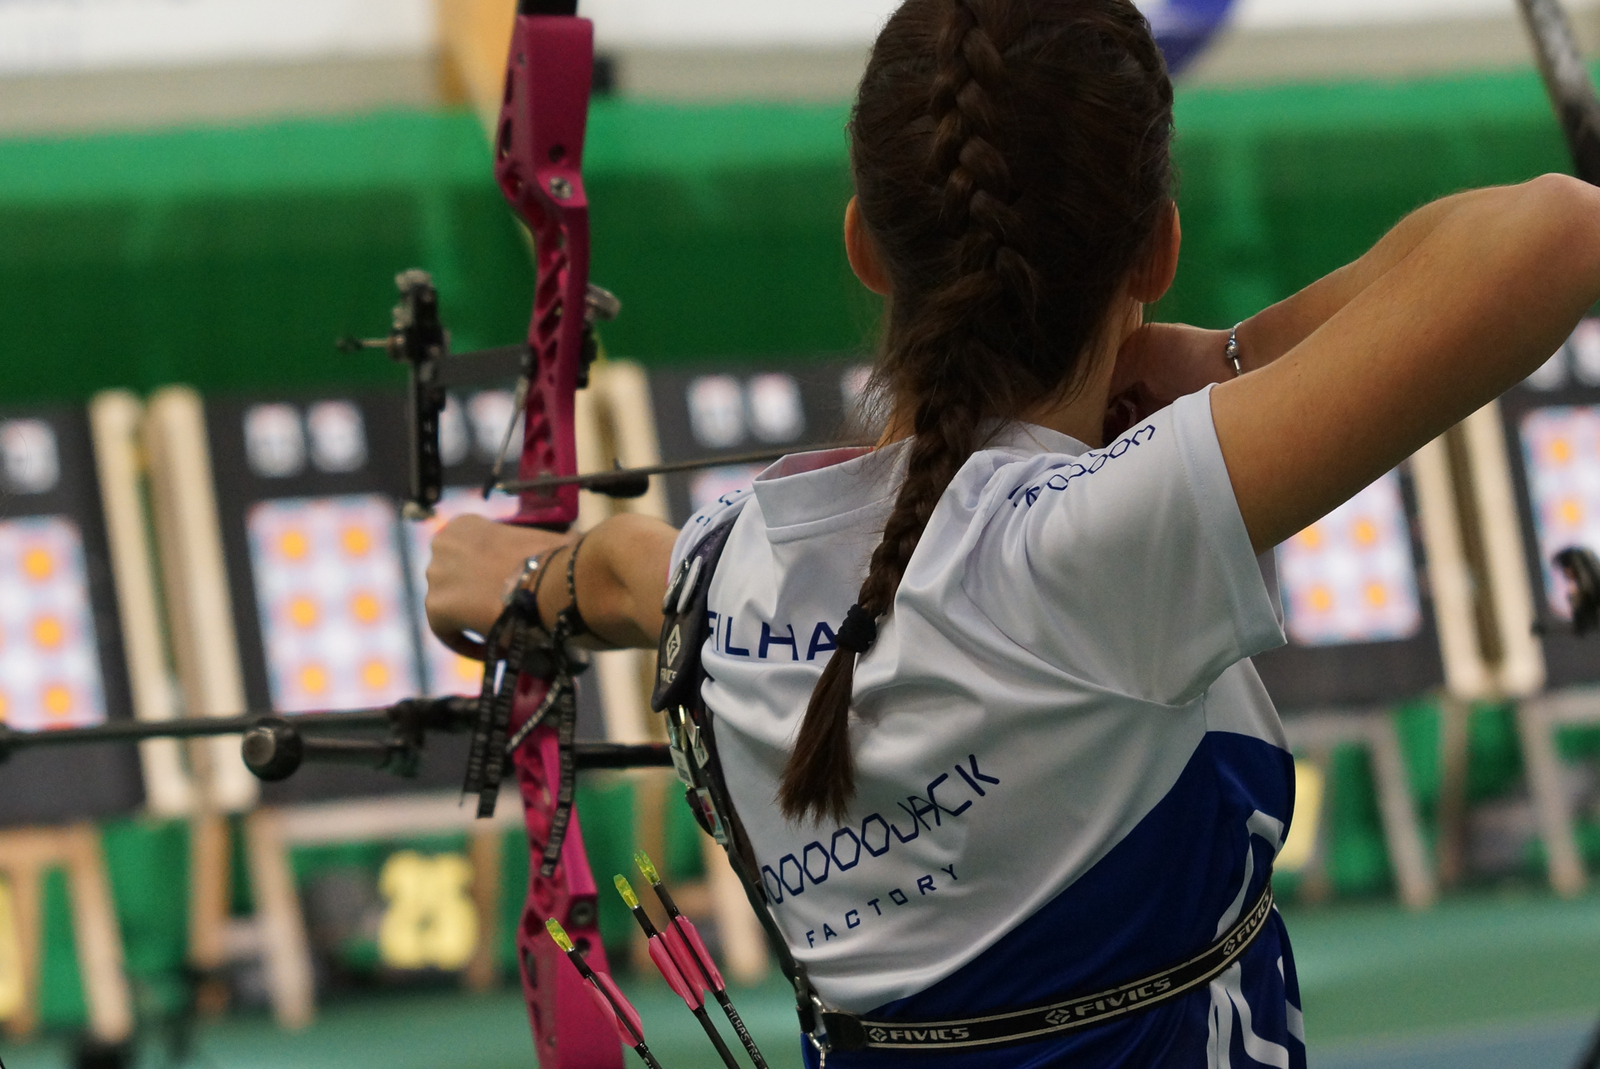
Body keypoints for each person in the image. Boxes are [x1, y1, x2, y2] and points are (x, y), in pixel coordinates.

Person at [424, 0, 1600, 1063]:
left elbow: (620, 570)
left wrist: (520, 574)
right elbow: (1556, 229)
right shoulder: (1095, 550)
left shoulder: (727, 564)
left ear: (864, 245)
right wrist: (1225, 358)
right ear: (1158, 249)